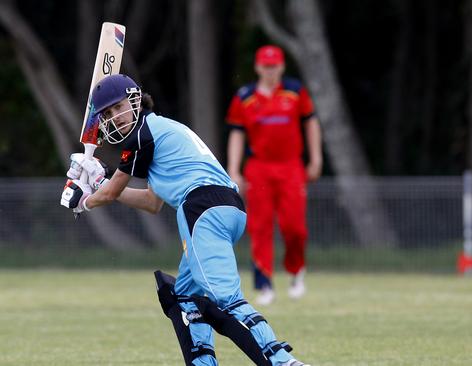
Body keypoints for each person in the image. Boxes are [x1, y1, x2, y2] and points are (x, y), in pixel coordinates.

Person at [60, 74, 310, 366]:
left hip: (201, 208)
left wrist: (84, 201)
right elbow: (151, 202)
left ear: (135, 100)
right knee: (182, 297)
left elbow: (112, 191)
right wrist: (100, 178)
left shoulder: (142, 134)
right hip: (227, 209)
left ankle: (281, 361)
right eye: (109, 114)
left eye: (119, 108)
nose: (116, 117)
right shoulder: (159, 131)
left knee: (224, 300)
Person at [226, 45, 322, 306]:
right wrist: (234, 169)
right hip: (259, 168)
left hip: (291, 166)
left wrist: (316, 158)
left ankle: (296, 271)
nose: (271, 71)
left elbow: (310, 122)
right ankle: (264, 283)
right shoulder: (245, 97)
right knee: (260, 227)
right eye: (266, 66)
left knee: (294, 227)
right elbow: (237, 133)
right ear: (258, 67)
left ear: (282, 67)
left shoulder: (295, 91)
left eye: (275, 66)